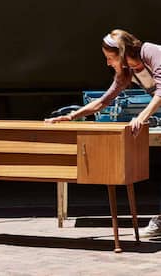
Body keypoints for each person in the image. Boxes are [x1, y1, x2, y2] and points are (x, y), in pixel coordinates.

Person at [45, 29, 161, 238]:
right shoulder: (128, 71)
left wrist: (141, 117)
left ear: (123, 52)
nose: (108, 63)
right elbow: (104, 101)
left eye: (110, 58)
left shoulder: (151, 52)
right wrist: (72, 116)